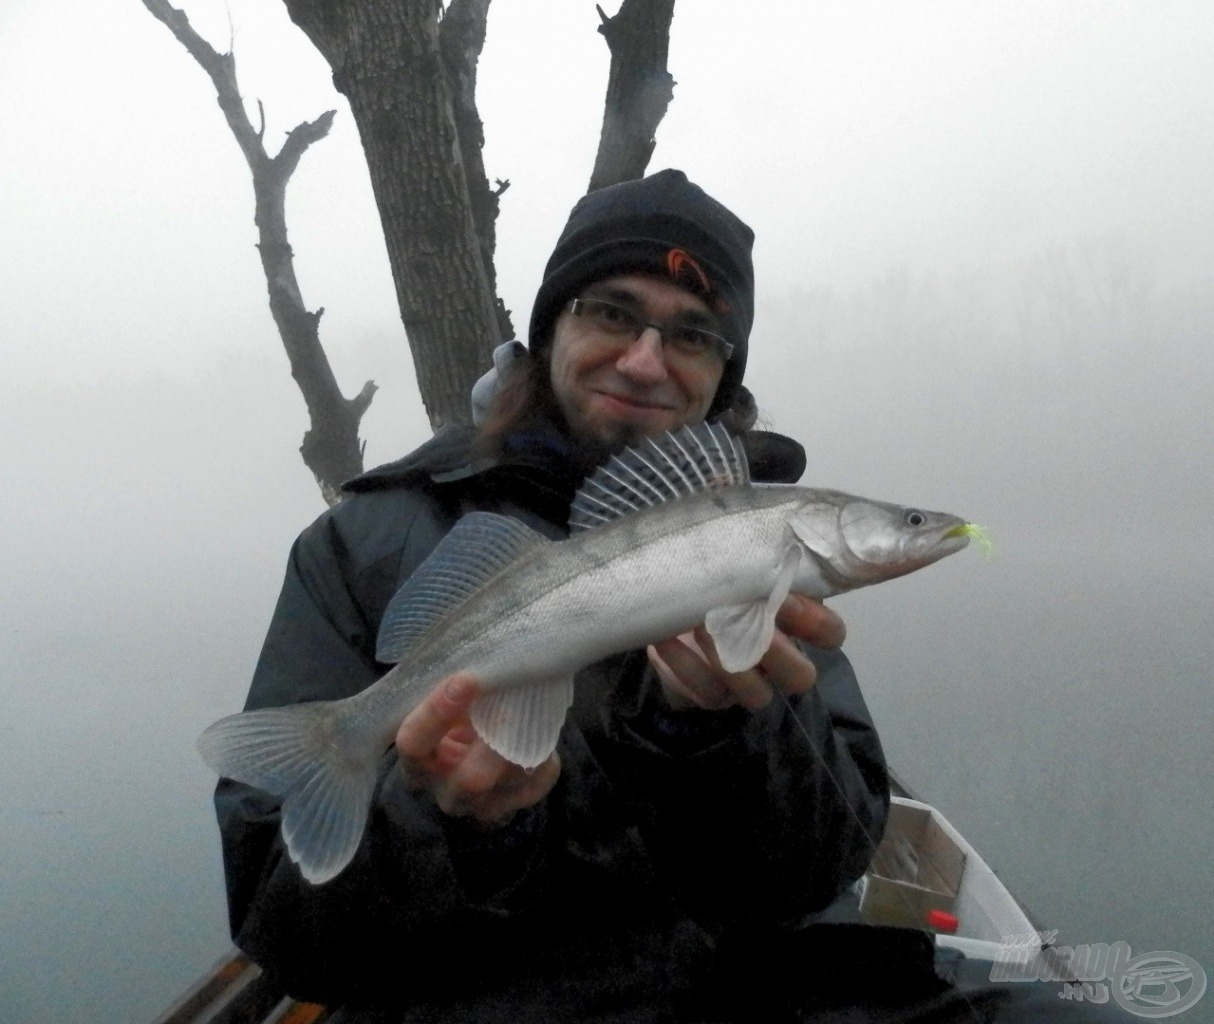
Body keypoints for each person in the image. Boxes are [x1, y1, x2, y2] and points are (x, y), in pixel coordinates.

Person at [215, 170, 1134, 1023]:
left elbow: (819, 870)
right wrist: (447, 820)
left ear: (721, 371)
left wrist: (725, 736)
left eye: (693, 333)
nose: (646, 362)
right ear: (548, 332)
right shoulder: (364, 547)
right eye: (614, 312)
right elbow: (291, 940)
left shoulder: (772, 570)